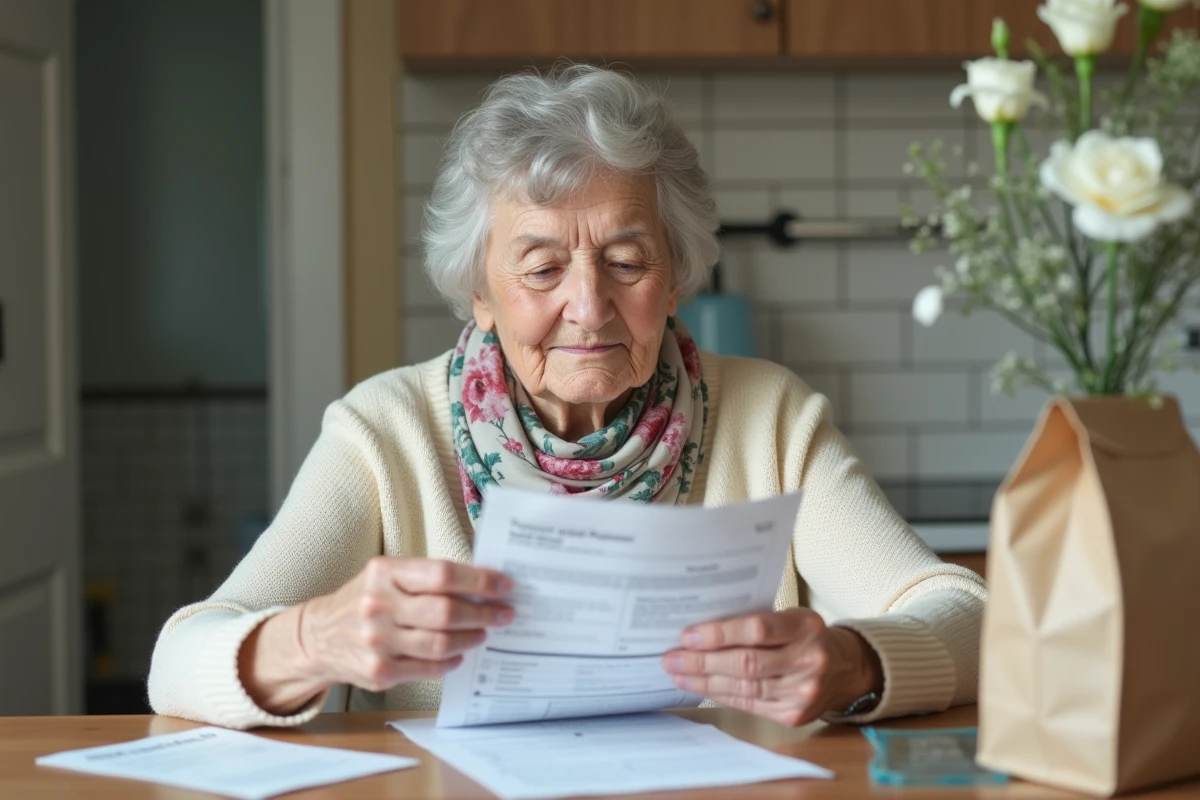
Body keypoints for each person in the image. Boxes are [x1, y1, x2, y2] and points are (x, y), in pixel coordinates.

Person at [148, 65, 986, 730]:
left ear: (676, 276)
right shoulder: (386, 432)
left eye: (626, 262)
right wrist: (313, 639)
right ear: (480, 292)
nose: (588, 307)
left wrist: (851, 662)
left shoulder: (770, 418)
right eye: (544, 268)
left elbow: (966, 615)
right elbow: (177, 663)